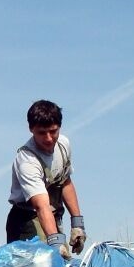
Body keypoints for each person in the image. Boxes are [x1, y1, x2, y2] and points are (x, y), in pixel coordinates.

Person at [6, 99, 86, 258]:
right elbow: (41, 206)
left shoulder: (63, 145)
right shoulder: (27, 160)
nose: (49, 138)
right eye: (42, 133)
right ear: (31, 129)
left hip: (53, 215)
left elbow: (66, 182)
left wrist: (77, 224)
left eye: (53, 131)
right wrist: (56, 244)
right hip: (27, 219)